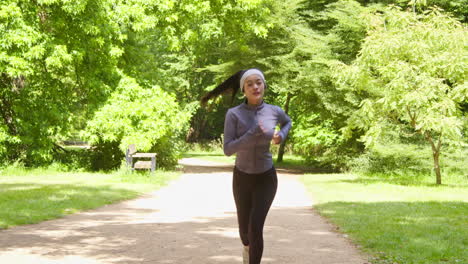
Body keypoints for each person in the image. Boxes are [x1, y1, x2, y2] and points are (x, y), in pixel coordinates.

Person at [201, 68, 292, 264]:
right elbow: (228, 149)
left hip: (266, 177)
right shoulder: (234, 114)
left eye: (258, 82)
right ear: (243, 89)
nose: (255, 86)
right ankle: (247, 249)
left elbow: (288, 122)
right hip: (242, 178)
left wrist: (280, 136)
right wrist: (252, 133)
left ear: (264, 85)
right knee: (245, 232)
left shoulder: (274, 111)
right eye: (249, 84)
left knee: (255, 227)